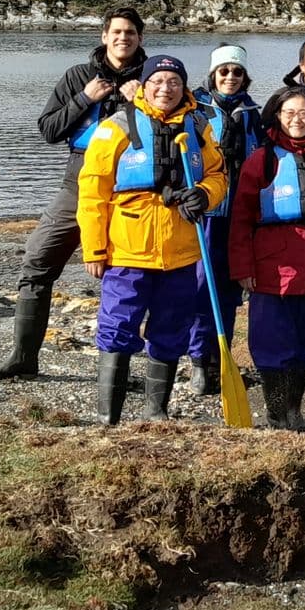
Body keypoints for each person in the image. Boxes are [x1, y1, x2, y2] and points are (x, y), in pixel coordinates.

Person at [0, 7, 147, 381]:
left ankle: (119, 370)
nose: (123, 38)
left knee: (128, 276)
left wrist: (141, 101)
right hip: (78, 183)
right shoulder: (77, 76)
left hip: (132, 189)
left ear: (140, 39)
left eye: (131, 33)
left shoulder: (153, 77)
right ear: (105, 36)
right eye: (117, 32)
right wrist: (85, 99)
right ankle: (23, 358)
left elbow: (174, 127)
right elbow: (48, 130)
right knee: (37, 262)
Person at [77, 55, 226, 424]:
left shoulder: (199, 128)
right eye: (157, 81)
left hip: (180, 252)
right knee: (116, 328)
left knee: (171, 329)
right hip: (128, 252)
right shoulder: (117, 127)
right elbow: (92, 193)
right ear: (144, 85)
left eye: (173, 82)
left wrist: (206, 194)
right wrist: (94, 249)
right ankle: (107, 416)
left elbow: (219, 175)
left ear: (183, 87)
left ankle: (155, 413)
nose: (166, 88)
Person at [227, 85, 305, 431]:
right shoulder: (262, 160)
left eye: (304, 113)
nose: (297, 119)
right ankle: (277, 414)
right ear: (277, 116)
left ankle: (294, 412)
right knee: (272, 342)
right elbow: (242, 219)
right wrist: (242, 268)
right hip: (273, 268)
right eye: (289, 113)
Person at [187, 44, 261, 396]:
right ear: (213, 75)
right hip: (207, 215)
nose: (230, 78)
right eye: (224, 72)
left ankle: (222, 358)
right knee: (203, 290)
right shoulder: (196, 110)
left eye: (236, 72)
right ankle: (199, 362)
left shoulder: (252, 114)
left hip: (238, 215)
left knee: (230, 292)